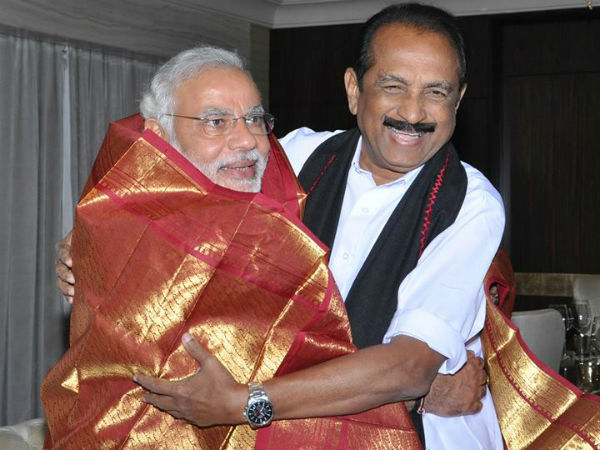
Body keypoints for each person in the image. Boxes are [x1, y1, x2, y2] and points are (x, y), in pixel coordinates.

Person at [46, 44, 486, 450]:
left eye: (255, 119)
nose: (245, 140)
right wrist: (91, 244)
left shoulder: (279, 170)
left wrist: (413, 387)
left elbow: (399, 367)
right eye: (216, 122)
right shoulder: (141, 241)